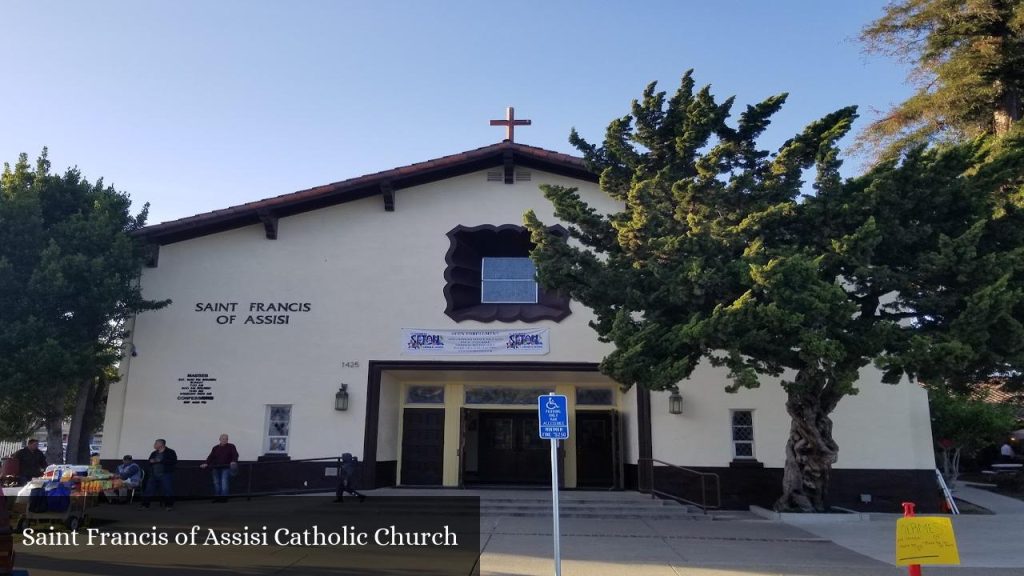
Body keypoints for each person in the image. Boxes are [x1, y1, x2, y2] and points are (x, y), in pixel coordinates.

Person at [199, 434, 239, 503]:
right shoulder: (215, 448)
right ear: (219, 439)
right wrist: (206, 463)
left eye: (226, 439)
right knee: (216, 483)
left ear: (227, 440)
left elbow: (235, 454)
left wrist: (234, 461)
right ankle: (217, 497)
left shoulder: (231, 446)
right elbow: (211, 457)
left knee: (224, 482)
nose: (224, 440)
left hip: (226, 467)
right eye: (223, 438)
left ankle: (224, 498)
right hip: (216, 467)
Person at [140, 439, 177, 510]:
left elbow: (173, 461)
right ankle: (145, 505)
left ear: (161, 444)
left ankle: (169, 506)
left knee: (167, 490)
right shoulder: (154, 453)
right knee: (148, 490)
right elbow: (150, 460)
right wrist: (151, 461)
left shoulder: (170, 452)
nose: (154, 444)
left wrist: (160, 460)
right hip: (154, 474)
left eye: (156, 443)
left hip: (165, 474)